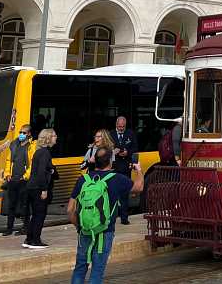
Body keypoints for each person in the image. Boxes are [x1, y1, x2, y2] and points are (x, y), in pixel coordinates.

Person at [69, 147, 143, 284]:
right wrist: (138, 170)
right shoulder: (117, 179)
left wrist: (79, 227)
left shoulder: (83, 179)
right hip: (105, 231)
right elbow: (138, 187)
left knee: (80, 267)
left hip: (85, 230)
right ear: (110, 161)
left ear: (95, 161)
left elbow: (70, 210)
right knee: (97, 270)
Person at [24, 128, 57, 249]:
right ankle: (35, 240)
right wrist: (44, 189)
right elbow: (41, 172)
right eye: (54, 136)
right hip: (38, 187)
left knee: (36, 214)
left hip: (31, 186)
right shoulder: (45, 153)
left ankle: (29, 238)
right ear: (48, 138)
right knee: (40, 214)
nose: (56, 138)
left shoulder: (38, 152)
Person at [0, 125, 36, 236]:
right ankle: (9, 228)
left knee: (24, 205)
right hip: (13, 179)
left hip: (24, 180)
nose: (21, 134)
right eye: (20, 132)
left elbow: (32, 163)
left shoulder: (31, 146)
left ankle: (25, 228)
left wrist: (25, 176)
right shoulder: (15, 145)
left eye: (24, 133)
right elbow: (8, 161)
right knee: (11, 205)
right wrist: (7, 174)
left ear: (29, 134)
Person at [109, 117, 137, 225]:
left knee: (125, 193)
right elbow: (106, 149)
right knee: (112, 194)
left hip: (125, 167)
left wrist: (127, 152)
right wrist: (114, 152)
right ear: (116, 125)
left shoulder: (130, 134)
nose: (121, 129)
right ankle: (111, 218)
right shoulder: (110, 134)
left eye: (123, 127)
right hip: (113, 168)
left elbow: (135, 148)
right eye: (119, 127)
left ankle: (124, 218)